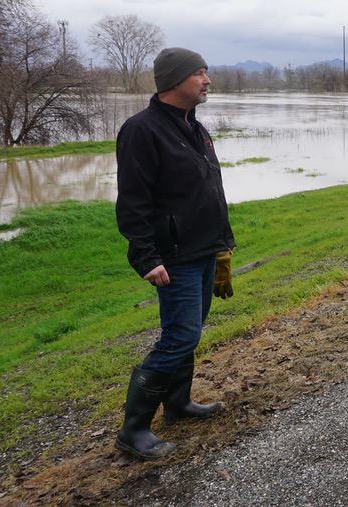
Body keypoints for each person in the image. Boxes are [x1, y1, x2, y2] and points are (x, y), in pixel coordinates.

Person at [114, 47, 236, 460]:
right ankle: (134, 431)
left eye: (206, 72)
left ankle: (178, 405)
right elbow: (134, 202)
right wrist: (146, 258)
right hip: (174, 257)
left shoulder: (194, 128)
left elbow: (210, 190)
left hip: (203, 250)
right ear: (173, 81)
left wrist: (223, 245)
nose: (207, 80)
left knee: (191, 333)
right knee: (179, 336)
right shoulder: (142, 130)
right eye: (199, 73)